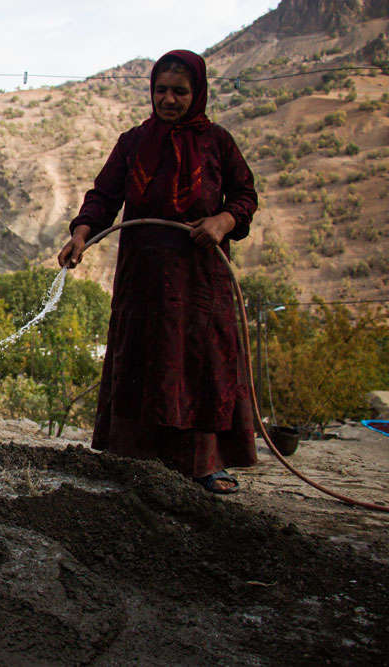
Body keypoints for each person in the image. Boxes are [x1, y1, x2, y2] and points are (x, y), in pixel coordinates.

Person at [58, 50, 258, 495]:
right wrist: (82, 234)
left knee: (198, 363)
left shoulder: (218, 143)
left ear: (198, 92)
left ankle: (205, 465)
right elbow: (103, 196)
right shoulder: (133, 142)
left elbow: (245, 196)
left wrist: (222, 222)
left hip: (200, 280)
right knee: (142, 361)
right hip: (142, 279)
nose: (168, 99)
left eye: (179, 91)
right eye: (161, 90)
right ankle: (134, 462)